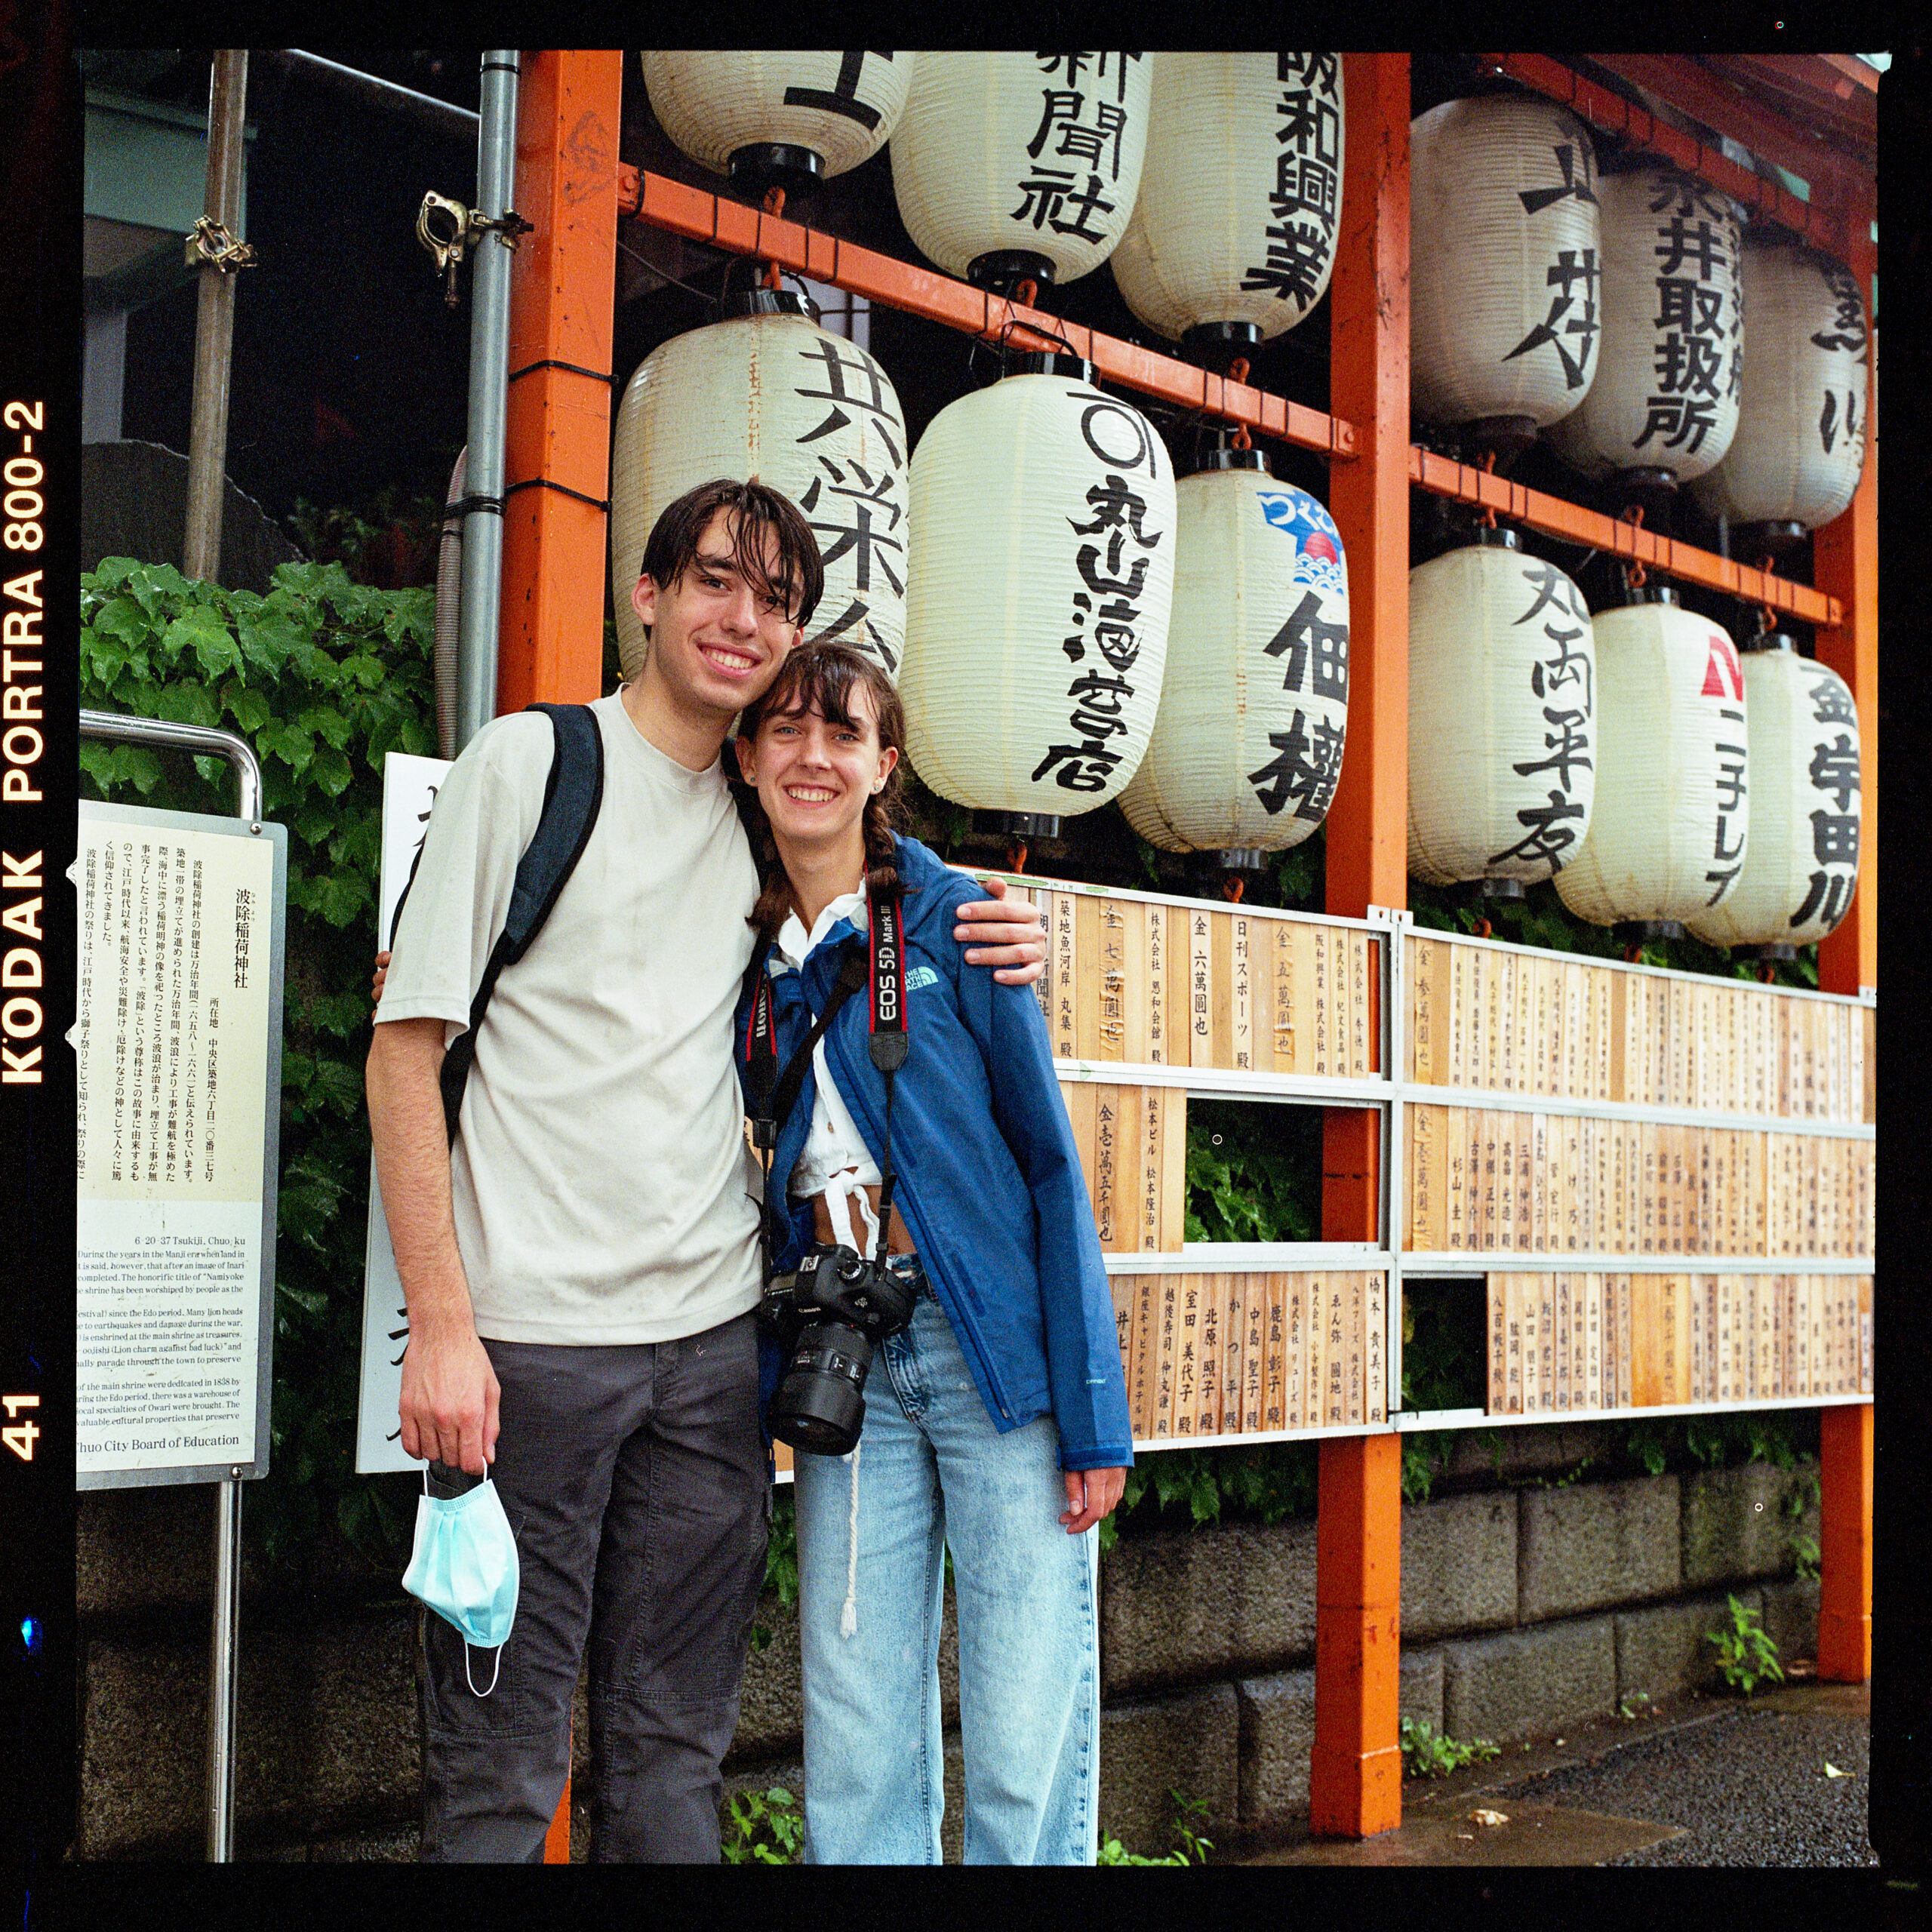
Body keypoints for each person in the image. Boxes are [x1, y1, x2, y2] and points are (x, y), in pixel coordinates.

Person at [365, 477, 1048, 1863]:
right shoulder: (531, 766)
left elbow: (877, 875)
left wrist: (1015, 927)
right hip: (531, 1358)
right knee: (496, 1777)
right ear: (651, 596)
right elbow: (403, 1050)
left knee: (674, 1767)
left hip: (712, 1354)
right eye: (719, 584)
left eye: (777, 600)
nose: (746, 621)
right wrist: (441, 1327)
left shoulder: (755, 803)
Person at [731, 641, 1131, 1866]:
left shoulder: (960, 921)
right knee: (853, 1734)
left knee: (1023, 1734)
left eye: (844, 735)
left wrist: (1095, 1415)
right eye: (787, 732)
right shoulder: (741, 956)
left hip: (992, 1357)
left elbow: (1052, 1167)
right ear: (744, 760)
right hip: (847, 1364)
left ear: (883, 764)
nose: (814, 757)